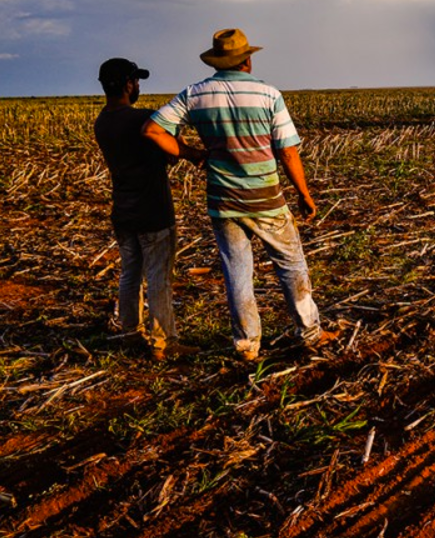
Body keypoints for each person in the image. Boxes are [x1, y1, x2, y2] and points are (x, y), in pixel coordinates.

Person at [142, 28, 336, 362]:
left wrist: (191, 153)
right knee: (291, 265)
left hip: (223, 201)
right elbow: (288, 153)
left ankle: (247, 344)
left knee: (237, 272)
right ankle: (310, 333)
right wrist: (304, 194)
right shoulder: (268, 94)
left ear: (217, 62)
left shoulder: (195, 94)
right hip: (267, 199)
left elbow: (152, 129)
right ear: (247, 60)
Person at [94, 58, 201, 362]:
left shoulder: (102, 122)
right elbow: (171, 157)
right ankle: (163, 342)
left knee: (130, 274)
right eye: (136, 81)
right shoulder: (145, 119)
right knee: (158, 278)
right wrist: (191, 151)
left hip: (123, 212)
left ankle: (129, 332)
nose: (138, 86)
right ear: (128, 84)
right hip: (153, 211)